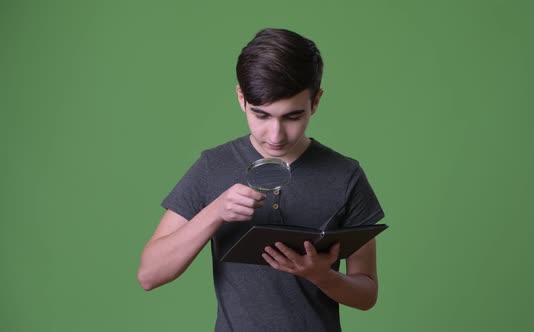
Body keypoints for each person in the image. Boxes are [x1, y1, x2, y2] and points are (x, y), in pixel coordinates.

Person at [137, 28, 385, 332]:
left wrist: (322, 275)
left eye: (292, 117)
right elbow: (150, 274)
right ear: (241, 98)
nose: (276, 135)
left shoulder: (345, 175)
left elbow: (367, 294)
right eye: (262, 115)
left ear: (315, 102)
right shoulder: (213, 166)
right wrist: (215, 212)